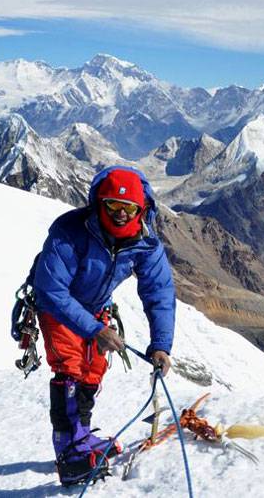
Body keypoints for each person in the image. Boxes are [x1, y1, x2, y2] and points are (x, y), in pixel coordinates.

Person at [29, 165, 176, 486]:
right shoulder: (70, 232)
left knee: (93, 368)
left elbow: (159, 292)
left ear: (141, 209)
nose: (121, 215)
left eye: (129, 208)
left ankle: (80, 434)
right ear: (99, 204)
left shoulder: (145, 243)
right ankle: (69, 451)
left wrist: (161, 345)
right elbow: (51, 289)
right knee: (69, 368)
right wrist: (94, 330)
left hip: (94, 308)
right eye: (113, 206)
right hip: (58, 306)